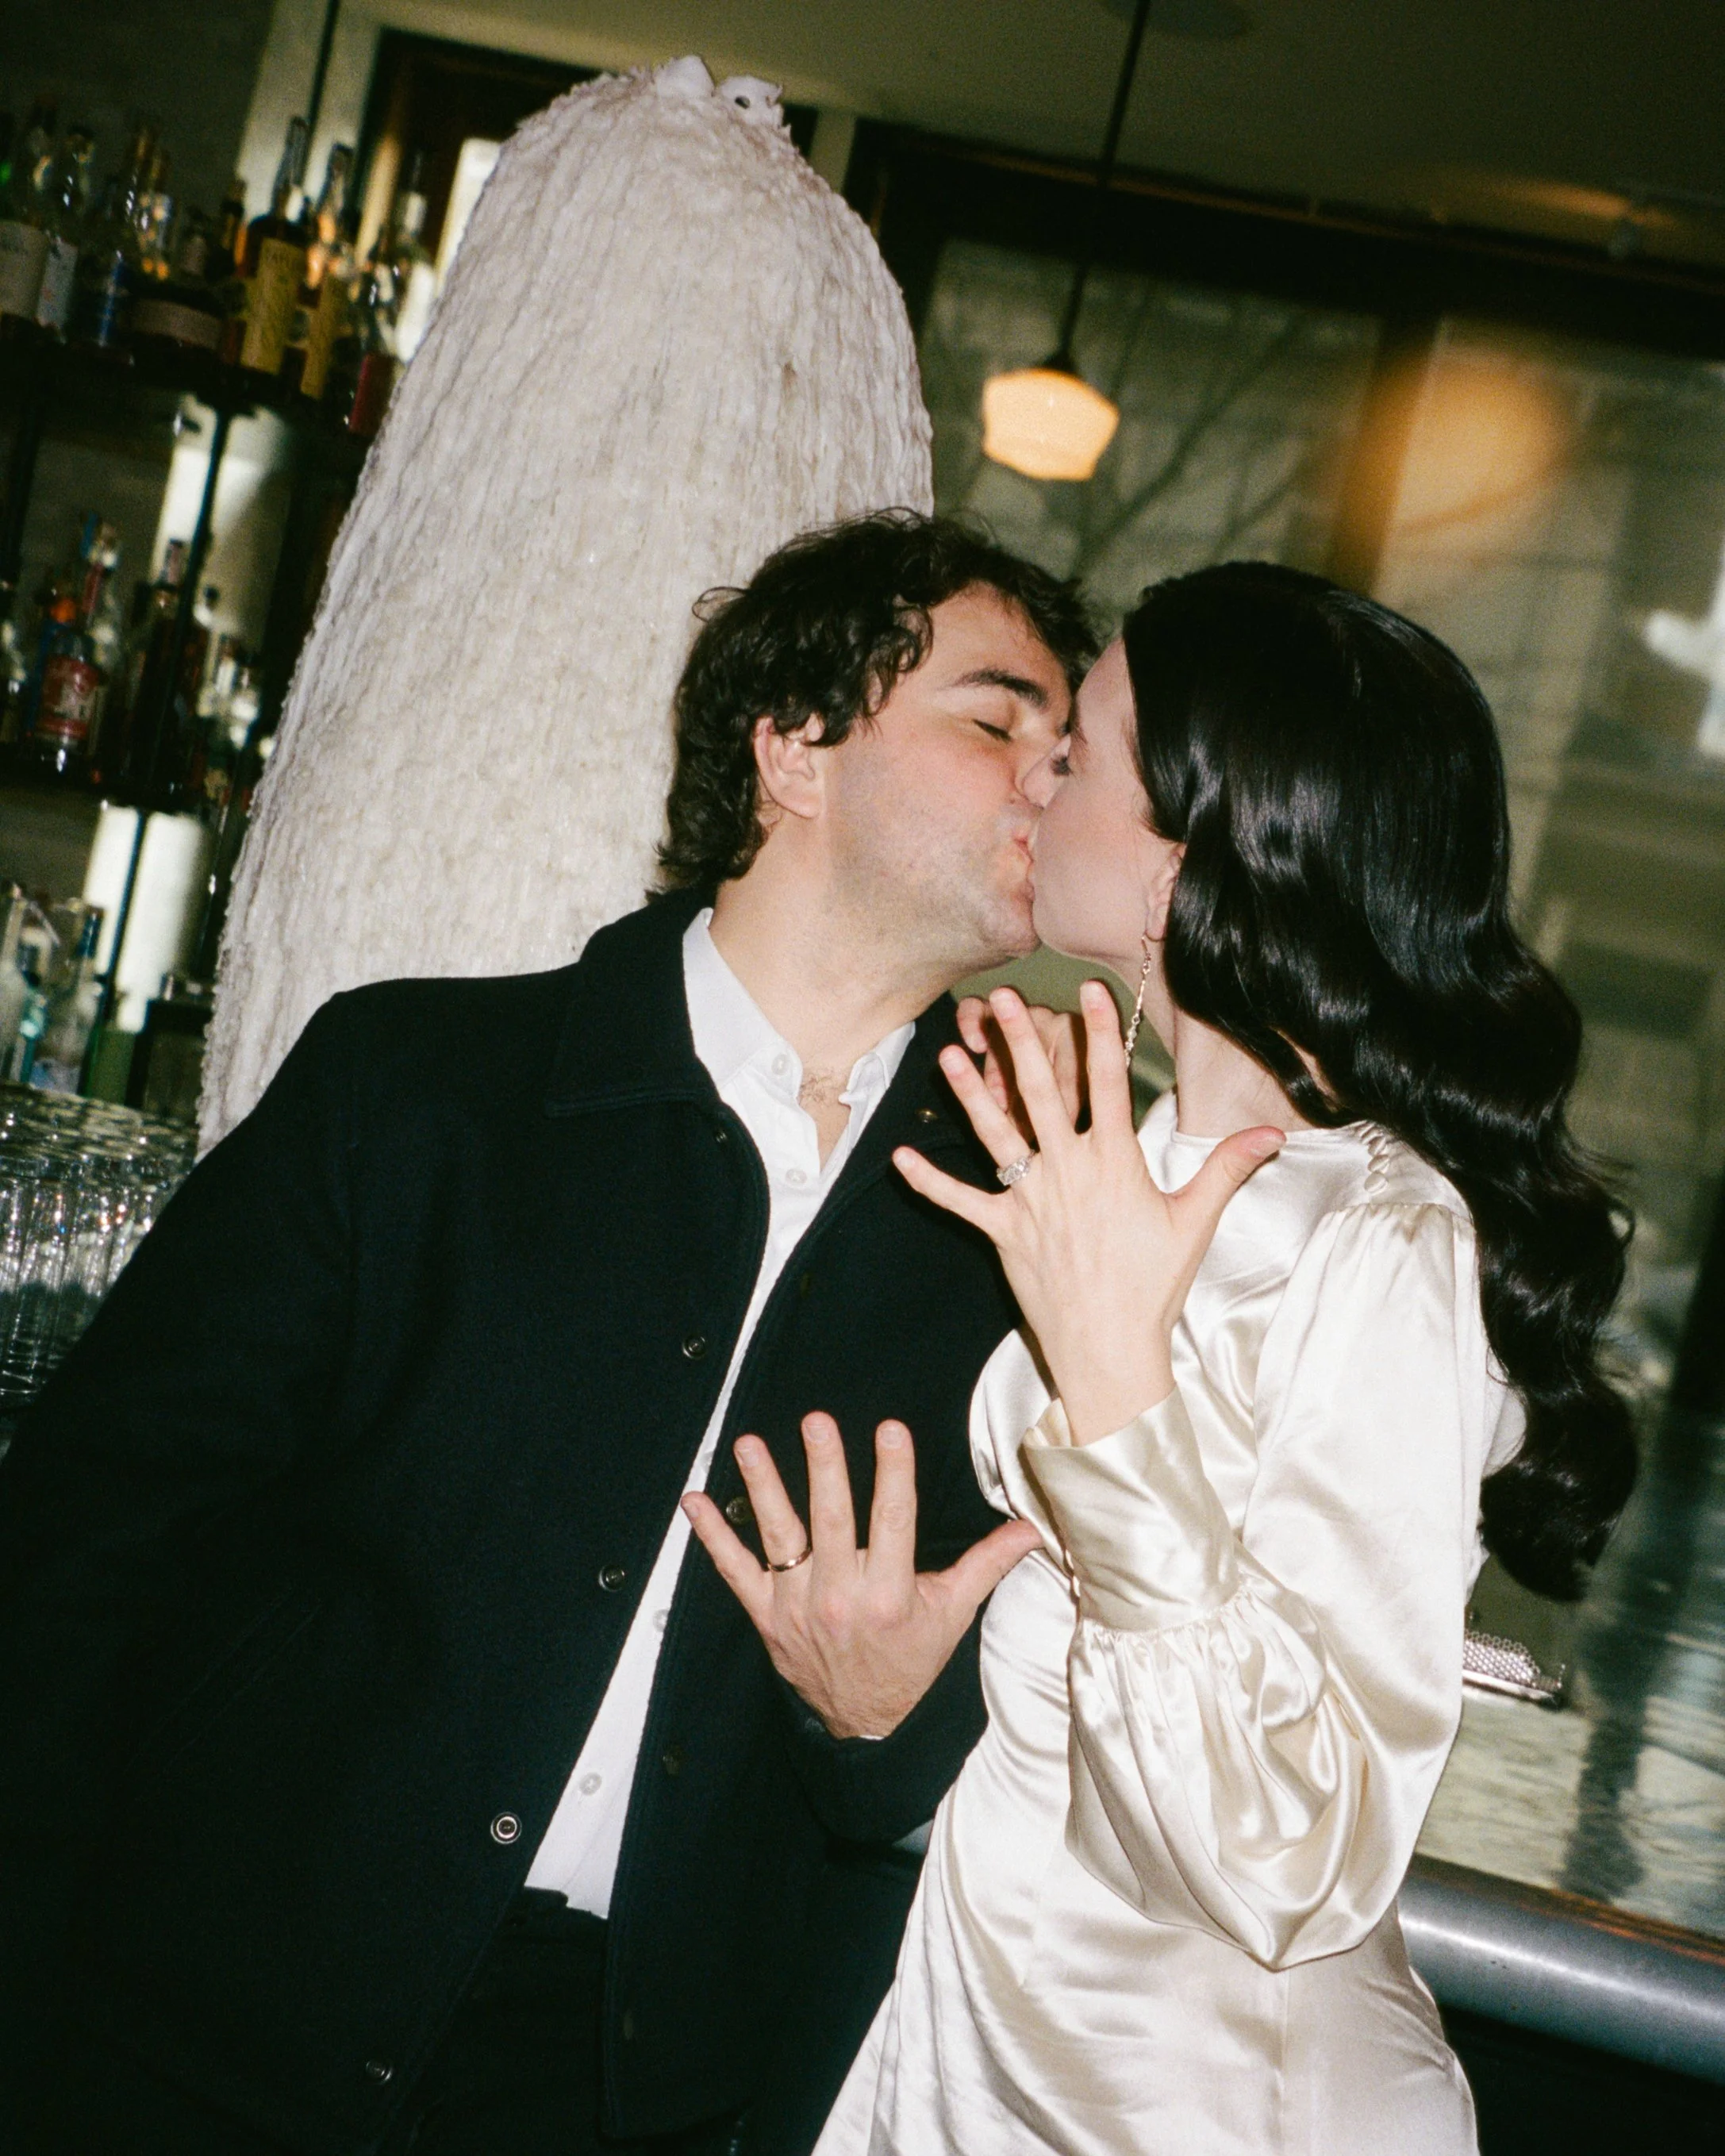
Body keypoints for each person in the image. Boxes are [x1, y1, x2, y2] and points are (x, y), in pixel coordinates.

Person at [0, 512, 1097, 2156]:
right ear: (795, 747)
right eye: (997, 720)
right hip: (201, 2026)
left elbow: (979, 1771)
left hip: (614, 2103)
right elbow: (76, 1565)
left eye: (1072, 753)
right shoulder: (419, 1091)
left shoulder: (1025, 1238)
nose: (1049, 784)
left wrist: (881, 1724)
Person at [701, 563, 1637, 2154]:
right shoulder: (1117, 1157)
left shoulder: (1379, 1241)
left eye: (1081, 752)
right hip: (980, 2061)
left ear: (1196, 848)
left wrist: (1116, 1379)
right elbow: (1098, 1697)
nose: (1035, 775)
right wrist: (896, 1691)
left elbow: (1299, 1858)